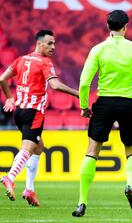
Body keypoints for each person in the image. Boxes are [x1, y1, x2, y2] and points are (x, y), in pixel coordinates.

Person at [72, 10, 132, 217]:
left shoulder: (98, 49)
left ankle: (82, 201)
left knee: (92, 150)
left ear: (107, 26)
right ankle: (130, 185)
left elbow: (84, 82)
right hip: (129, 103)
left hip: (105, 103)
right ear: (126, 27)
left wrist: (84, 106)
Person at [0, 30, 79, 206]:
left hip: (19, 112)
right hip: (33, 112)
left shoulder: (21, 59)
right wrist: (77, 93)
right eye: (49, 43)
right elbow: (55, 85)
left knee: (38, 147)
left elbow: (1, 79)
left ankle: (29, 190)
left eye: (54, 43)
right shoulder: (44, 62)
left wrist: (10, 97)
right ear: (39, 43)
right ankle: (10, 177)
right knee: (27, 148)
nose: (53, 47)